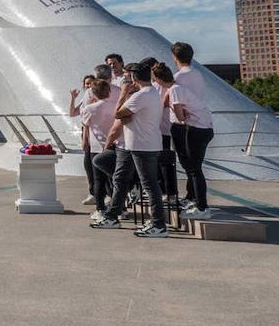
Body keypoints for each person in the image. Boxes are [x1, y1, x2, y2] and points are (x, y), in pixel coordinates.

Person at [90, 62, 168, 238]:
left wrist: (124, 92)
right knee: (120, 178)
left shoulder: (141, 95)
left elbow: (118, 113)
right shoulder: (152, 93)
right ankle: (112, 216)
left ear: (134, 78)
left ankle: (158, 224)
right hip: (137, 144)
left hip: (142, 145)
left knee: (149, 184)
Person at [169, 41, 215, 214]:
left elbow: (177, 105)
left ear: (175, 57)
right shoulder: (197, 74)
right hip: (202, 122)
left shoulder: (178, 78)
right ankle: (193, 197)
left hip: (192, 124)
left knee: (193, 168)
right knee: (194, 166)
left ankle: (201, 206)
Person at [80, 79, 116, 221]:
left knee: (98, 180)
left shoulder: (90, 108)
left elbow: (85, 125)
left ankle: (100, 209)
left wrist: (85, 141)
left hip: (97, 147)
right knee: (114, 178)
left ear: (94, 93)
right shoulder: (115, 106)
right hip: (114, 145)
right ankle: (120, 208)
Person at [149, 63, 181, 203]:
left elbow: (161, 104)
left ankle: (168, 193)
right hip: (164, 127)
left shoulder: (160, 87)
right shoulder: (168, 86)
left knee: (163, 162)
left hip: (162, 128)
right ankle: (168, 193)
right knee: (163, 163)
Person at [69, 73, 98, 205]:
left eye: (91, 83)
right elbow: (72, 113)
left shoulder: (98, 99)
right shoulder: (83, 99)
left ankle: (101, 193)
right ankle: (92, 192)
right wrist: (73, 98)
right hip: (85, 132)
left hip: (96, 133)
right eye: (87, 83)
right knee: (88, 163)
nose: (89, 85)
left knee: (96, 163)